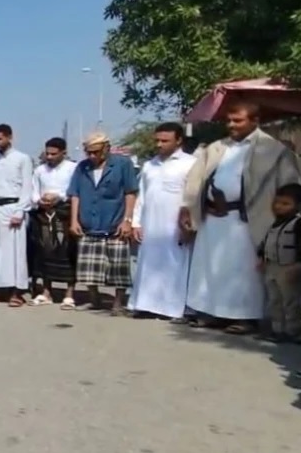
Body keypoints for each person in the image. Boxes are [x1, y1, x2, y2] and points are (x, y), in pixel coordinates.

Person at [183, 102, 301, 334]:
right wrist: (193, 207)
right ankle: (212, 312)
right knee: (211, 267)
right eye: (229, 120)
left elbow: (291, 187)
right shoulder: (216, 148)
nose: (231, 125)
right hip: (214, 218)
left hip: (248, 220)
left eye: (238, 120)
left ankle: (244, 317)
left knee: (243, 270)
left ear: (255, 121)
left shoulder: (274, 150)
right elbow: (195, 180)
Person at [128, 124, 196, 320]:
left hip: (176, 226)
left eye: (165, 141)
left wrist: (189, 224)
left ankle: (172, 309)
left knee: (175, 264)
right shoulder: (149, 165)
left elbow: (193, 196)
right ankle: (145, 305)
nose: (159, 144)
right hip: (150, 225)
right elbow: (142, 196)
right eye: (157, 140)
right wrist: (136, 223)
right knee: (148, 264)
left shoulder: (191, 163)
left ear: (179, 140)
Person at [68, 133, 139, 315]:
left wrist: (127, 220)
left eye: (96, 152)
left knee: (119, 265)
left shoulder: (123, 164)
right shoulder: (82, 167)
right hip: (89, 221)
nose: (92, 156)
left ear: (106, 148)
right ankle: (94, 299)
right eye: (89, 152)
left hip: (114, 220)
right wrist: (74, 220)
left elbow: (130, 192)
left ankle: (117, 303)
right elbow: (75, 194)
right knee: (88, 265)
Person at [0, 124, 35, 307]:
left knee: (15, 253)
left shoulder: (22, 159)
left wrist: (20, 211)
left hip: (13, 209)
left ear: (10, 138)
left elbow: (27, 187)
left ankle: (16, 293)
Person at [28, 137, 79, 309]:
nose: (49, 157)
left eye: (53, 154)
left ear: (64, 153)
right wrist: (40, 200)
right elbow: (33, 191)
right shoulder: (40, 170)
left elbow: (75, 191)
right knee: (44, 252)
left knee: (67, 254)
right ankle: (46, 292)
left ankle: (69, 294)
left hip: (65, 213)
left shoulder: (73, 168)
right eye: (47, 153)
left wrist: (59, 197)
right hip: (43, 214)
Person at [256, 183, 301, 342]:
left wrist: (297, 266)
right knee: (274, 300)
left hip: (288, 268)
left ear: (297, 206)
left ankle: (292, 330)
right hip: (272, 267)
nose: (279, 207)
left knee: (290, 301)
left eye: (286, 203)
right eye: (277, 202)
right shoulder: (274, 224)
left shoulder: (297, 224)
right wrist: (262, 258)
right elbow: (265, 243)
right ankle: (277, 329)